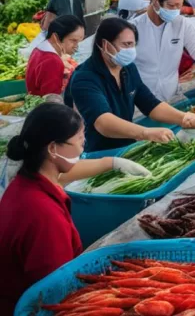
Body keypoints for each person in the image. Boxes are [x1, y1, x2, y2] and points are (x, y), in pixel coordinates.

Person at [0, 103, 151, 312]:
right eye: (80, 139)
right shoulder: (43, 215)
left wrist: (112, 162)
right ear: (53, 148)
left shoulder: (25, 182)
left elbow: (64, 173)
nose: (83, 146)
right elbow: (55, 295)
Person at [63, 17, 195, 152]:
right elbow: (103, 122)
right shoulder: (85, 78)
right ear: (105, 45)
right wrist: (145, 132)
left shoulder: (127, 68)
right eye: (126, 45)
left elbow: (150, 104)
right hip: (99, 153)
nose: (131, 51)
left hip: (127, 145)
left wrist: (183, 118)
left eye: (133, 45)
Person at [26, 15, 85, 97]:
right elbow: (52, 99)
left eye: (79, 41)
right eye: (73, 40)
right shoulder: (52, 61)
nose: (77, 46)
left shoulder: (39, 49)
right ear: (56, 37)